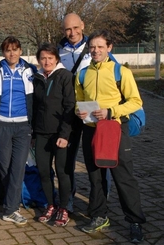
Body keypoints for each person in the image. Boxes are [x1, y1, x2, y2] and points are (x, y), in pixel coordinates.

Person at [75, 30, 146, 243]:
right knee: (95, 175)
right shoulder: (82, 74)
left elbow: (135, 101)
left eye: (100, 46)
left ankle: (135, 221)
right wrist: (79, 112)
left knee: (123, 177)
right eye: (92, 47)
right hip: (91, 129)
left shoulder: (120, 72)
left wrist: (110, 111)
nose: (95, 50)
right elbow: (78, 101)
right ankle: (99, 216)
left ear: (109, 48)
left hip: (114, 128)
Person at [58, 13, 113, 212]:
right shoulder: (59, 51)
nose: (72, 33)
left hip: (95, 112)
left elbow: (112, 71)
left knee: (99, 158)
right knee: (66, 160)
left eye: (75, 28)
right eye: (67, 29)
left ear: (83, 25)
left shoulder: (95, 47)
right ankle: (68, 200)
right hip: (71, 112)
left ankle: (100, 203)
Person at [0, 36, 36, 225]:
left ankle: (11, 209)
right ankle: (10, 203)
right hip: (2, 125)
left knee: (18, 169)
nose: (12, 53)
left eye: (15, 49)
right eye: (8, 50)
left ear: (20, 51)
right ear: (3, 52)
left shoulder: (29, 71)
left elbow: (36, 99)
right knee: (5, 167)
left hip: (22, 126)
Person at [32, 43, 75, 226]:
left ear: (56, 59)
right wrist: (33, 133)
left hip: (60, 134)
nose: (47, 61)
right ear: (39, 60)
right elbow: (35, 107)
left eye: (50, 58)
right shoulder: (37, 78)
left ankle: (64, 208)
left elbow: (70, 106)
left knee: (62, 172)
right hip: (41, 133)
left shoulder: (65, 76)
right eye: (43, 58)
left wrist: (65, 135)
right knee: (43, 171)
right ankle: (51, 205)